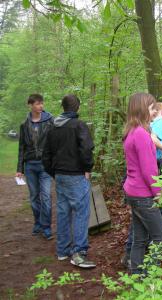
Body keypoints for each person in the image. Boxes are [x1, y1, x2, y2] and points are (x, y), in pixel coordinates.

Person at [42, 94, 96, 268]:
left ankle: (62, 251)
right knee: (81, 213)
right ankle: (79, 252)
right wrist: (87, 169)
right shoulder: (79, 125)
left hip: (60, 176)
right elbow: (86, 149)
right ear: (77, 107)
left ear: (63, 107)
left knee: (64, 212)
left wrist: (54, 173)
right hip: (76, 175)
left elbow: (45, 156)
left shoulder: (52, 128)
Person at [123, 93, 162, 276]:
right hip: (142, 194)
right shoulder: (142, 134)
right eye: (151, 108)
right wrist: (158, 193)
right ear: (142, 109)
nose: (154, 111)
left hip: (133, 192)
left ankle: (136, 277)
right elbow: (149, 170)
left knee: (140, 238)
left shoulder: (132, 131)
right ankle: (148, 277)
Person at [16, 94, 54, 240]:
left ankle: (46, 227)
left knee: (46, 196)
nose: (41, 106)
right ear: (30, 105)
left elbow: (55, 143)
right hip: (30, 165)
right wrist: (20, 168)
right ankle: (37, 223)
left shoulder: (51, 121)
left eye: (42, 103)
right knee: (33, 197)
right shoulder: (24, 124)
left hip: (45, 165)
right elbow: (21, 148)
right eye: (38, 104)